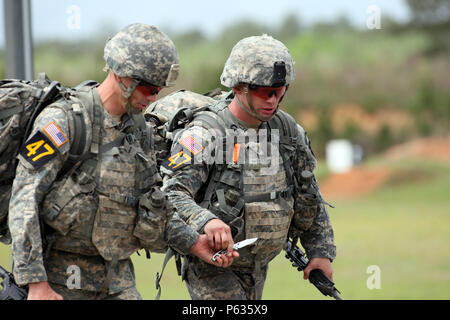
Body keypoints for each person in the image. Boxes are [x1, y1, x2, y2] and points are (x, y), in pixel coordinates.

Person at [8, 23, 236, 300]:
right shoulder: (64, 121)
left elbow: (153, 203)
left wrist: (195, 243)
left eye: (159, 90)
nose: (154, 98)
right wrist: (35, 283)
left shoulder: (139, 131)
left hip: (118, 277)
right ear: (121, 75)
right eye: (149, 88)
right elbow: (24, 200)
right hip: (60, 278)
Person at [161, 34, 336, 299]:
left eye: (279, 92)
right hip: (211, 264)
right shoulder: (204, 134)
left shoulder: (287, 132)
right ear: (240, 87)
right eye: (265, 92)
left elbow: (309, 193)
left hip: (258, 265)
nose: (273, 101)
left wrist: (320, 252)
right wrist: (206, 221)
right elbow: (171, 194)